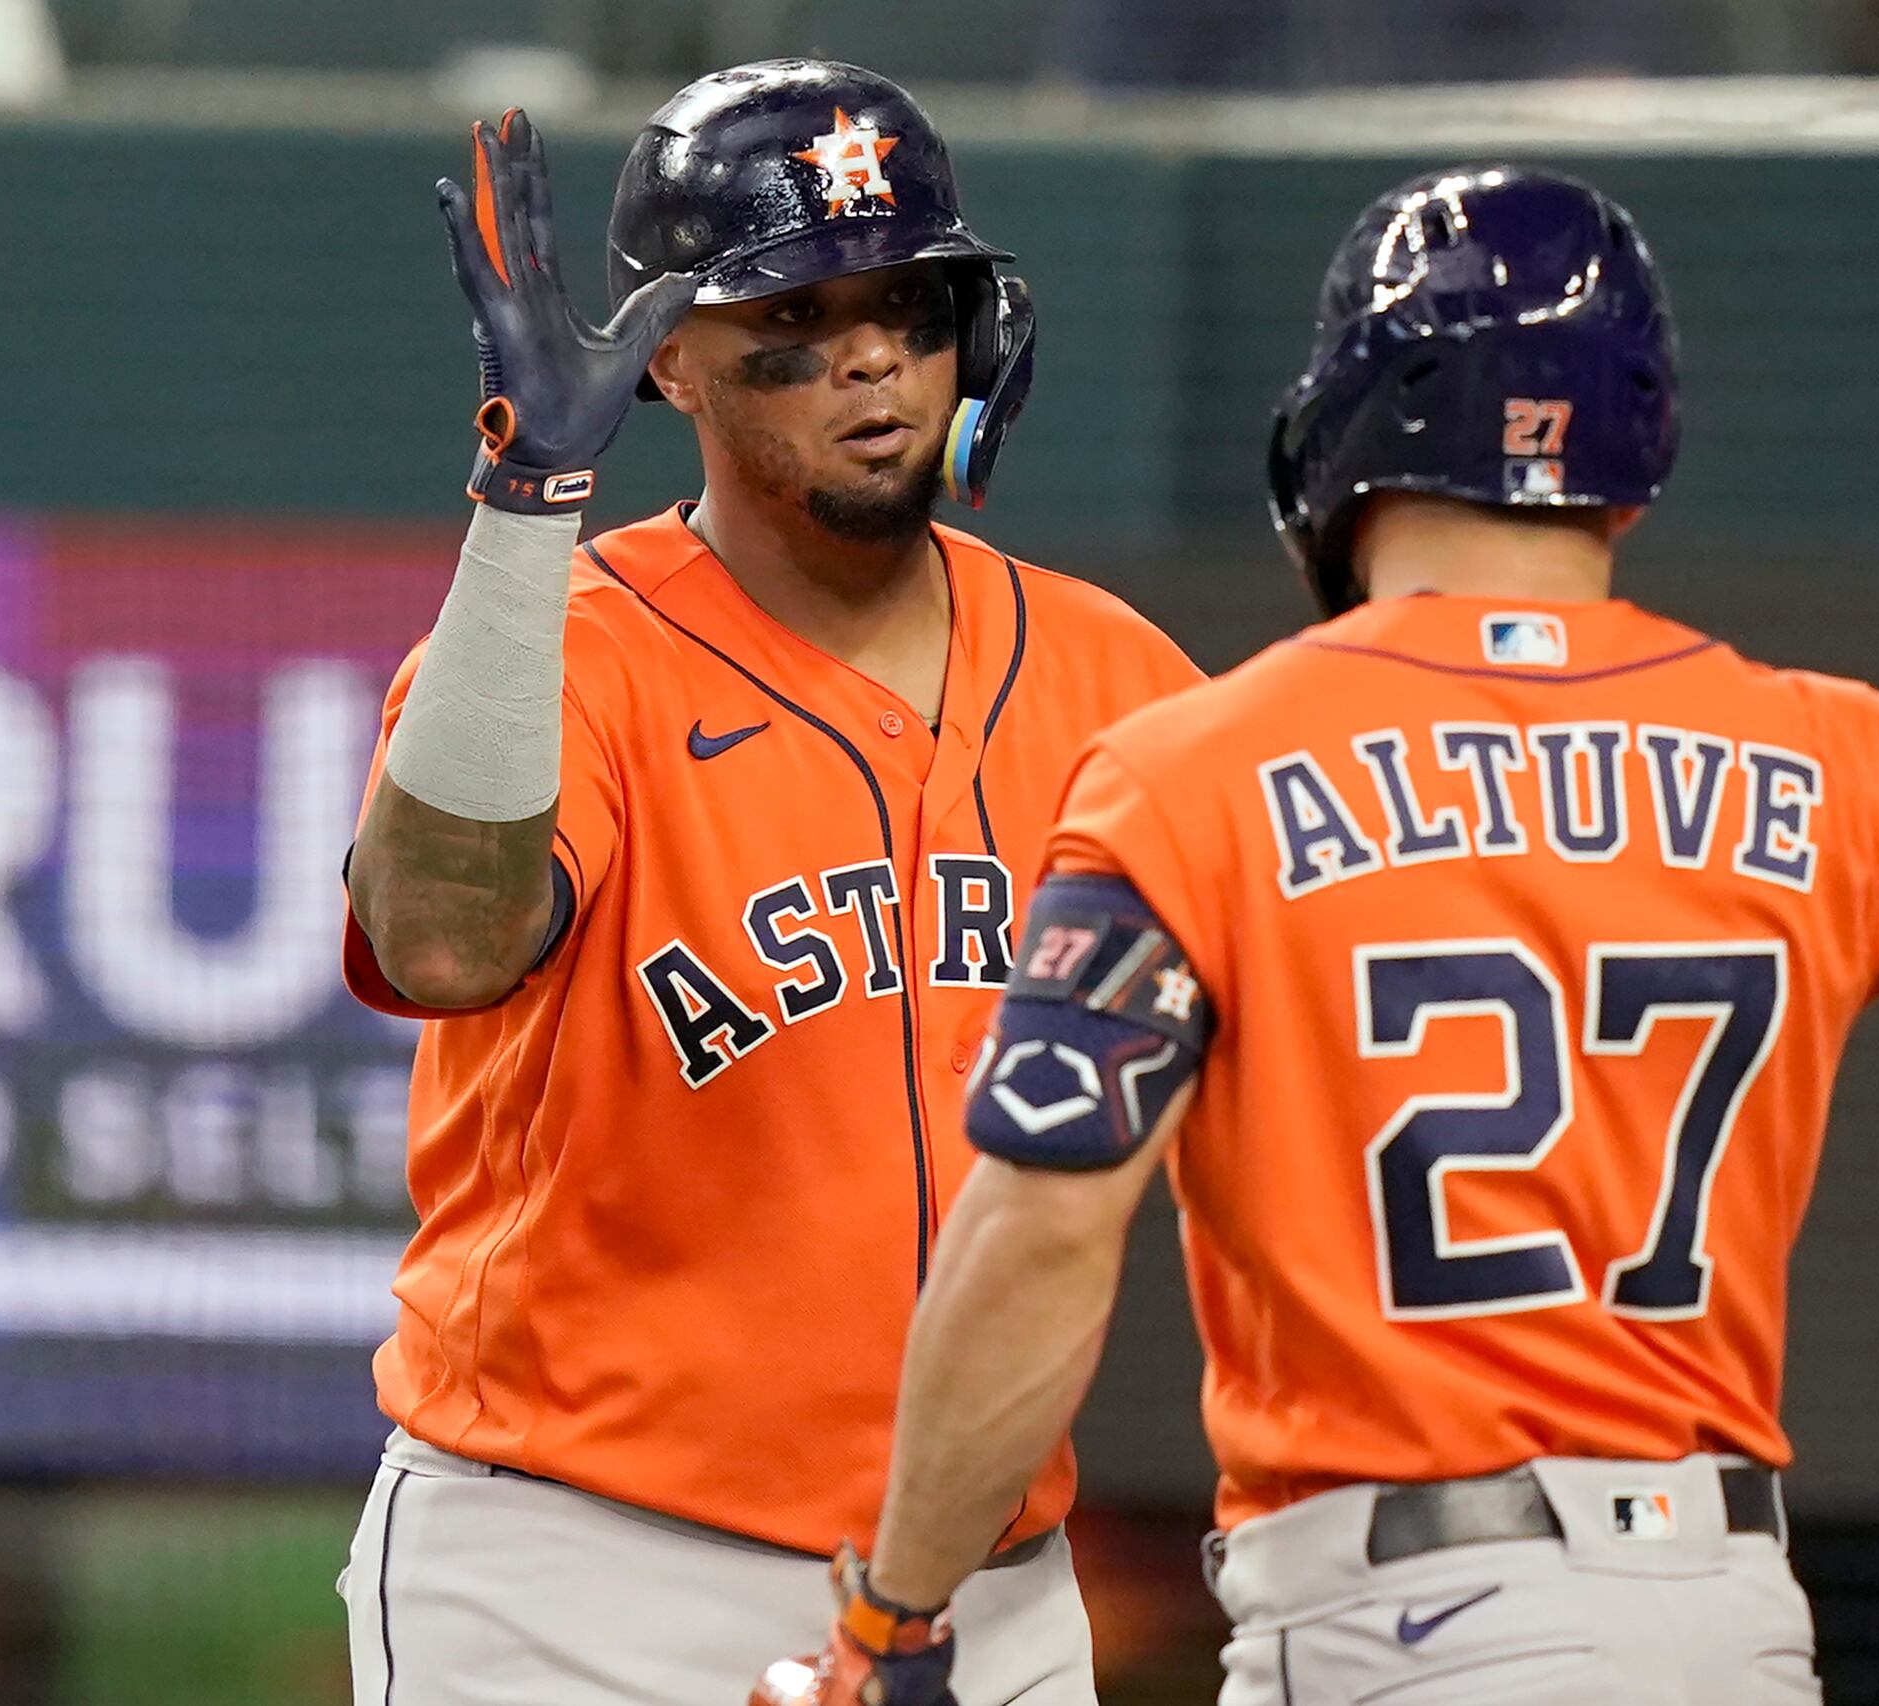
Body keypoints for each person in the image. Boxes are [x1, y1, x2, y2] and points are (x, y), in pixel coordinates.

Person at [752, 165, 1879, 1705]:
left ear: (1344, 416)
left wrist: (896, 1619)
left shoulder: (1198, 769)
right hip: (1728, 1614)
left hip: (1409, 1613)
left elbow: (1046, 1226)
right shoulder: (1836, 753)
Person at [335, 58, 1197, 1706]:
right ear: (674, 359)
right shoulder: (563, 655)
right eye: (795, 320)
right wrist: (525, 508)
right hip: (575, 1571)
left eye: (908, 307)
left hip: (982, 1581)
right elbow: (439, 940)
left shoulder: (1119, 676)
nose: (871, 358)